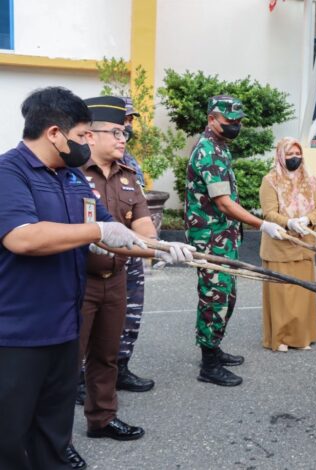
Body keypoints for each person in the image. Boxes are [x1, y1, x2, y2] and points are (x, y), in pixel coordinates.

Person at [0, 87, 145, 469]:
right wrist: (96, 232)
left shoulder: (72, 179)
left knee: (53, 430)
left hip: (65, 328)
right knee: (10, 436)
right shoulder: (8, 173)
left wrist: (162, 249)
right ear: (53, 133)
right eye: (82, 136)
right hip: (18, 335)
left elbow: (114, 230)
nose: (86, 144)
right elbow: (22, 237)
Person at [78, 96, 194, 442]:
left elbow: (144, 225)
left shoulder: (128, 177)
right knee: (64, 364)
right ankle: (51, 441)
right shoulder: (69, 175)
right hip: (76, 281)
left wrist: (160, 248)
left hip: (115, 280)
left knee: (107, 356)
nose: (123, 138)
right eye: (115, 132)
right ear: (90, 135)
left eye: (125, 132)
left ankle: (102, 419)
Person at [185, 95, 285, 386]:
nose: (235, 127)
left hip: (223, 236)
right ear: (212, 120)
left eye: (239, 122)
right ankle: (209, 364)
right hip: (210, 238)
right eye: (230, 122)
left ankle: (214, 347)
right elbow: (225, 203)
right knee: (214, 298)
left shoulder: (220, 147)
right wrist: (263, 224)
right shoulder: (208, 152)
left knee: (227, 296)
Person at [259, 137, 316, 351]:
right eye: (289, 154)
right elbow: (268, 212)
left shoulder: (310, 180)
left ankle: (302, 337)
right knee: (282, 294)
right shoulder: (270, 180)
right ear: (280, 156)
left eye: (298, 154)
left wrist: (307, 220)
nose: (295, 158)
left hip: (304, 244)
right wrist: (289, 223)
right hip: (280, 244)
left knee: (303, 294)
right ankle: (281, 339)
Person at [115, 96, 156, 393]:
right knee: (92, 318)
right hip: (103, 250)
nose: (128, 126)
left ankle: (120, 367)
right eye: (123, 119)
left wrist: (156, 247)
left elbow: (140, 203)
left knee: (131, 312)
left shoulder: (129, 160)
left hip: (133, 249)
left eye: (130, 120)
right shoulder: (84, 162)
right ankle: (80, 377)